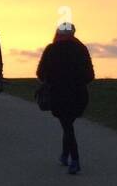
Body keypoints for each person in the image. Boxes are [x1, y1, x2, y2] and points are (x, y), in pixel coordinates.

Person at [36, 21, 95, 174]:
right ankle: (64, 155)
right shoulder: (81, 49)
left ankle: (74, 159)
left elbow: (40, 74)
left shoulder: (51, 49)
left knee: (67, 125)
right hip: (79, 95)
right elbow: (90, 75)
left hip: (58, 95)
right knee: (67, 124)